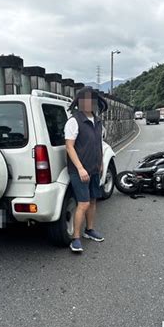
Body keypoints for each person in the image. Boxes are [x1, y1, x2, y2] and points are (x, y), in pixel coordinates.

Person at [64, 87, 106, 253]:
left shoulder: (98, 121)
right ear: (79, 102)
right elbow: (69, 146)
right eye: (86, 100)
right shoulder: (74, 121)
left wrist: (101, 162)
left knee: (94, 200)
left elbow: (99, 144)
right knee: (83, 203)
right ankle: (75, 238)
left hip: (94, 168)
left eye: (92, 100)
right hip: (79, 171)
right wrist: (80, 168)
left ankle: (89, 230)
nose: (89, 103)